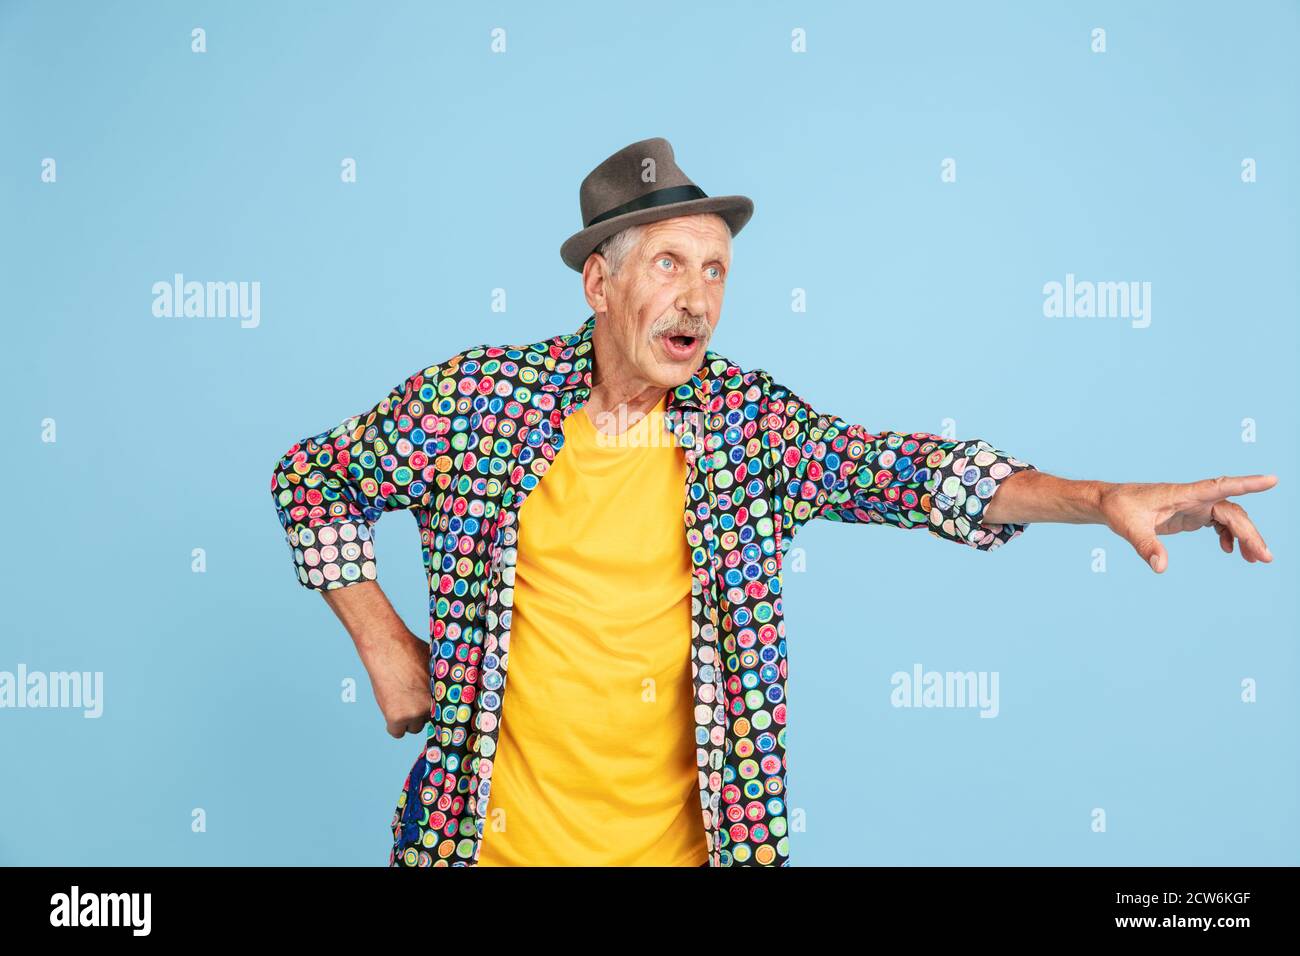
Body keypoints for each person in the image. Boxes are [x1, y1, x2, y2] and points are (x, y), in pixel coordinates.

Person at [269, 137, 1276, 867]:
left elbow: (913, 472)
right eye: (669, 263)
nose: (698, 298)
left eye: (715, 270)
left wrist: (1102, 498)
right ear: (597, 284)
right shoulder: (478, 404)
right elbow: (310, 478)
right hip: (480, 846)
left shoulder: (748, 426)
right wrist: (384, 639)